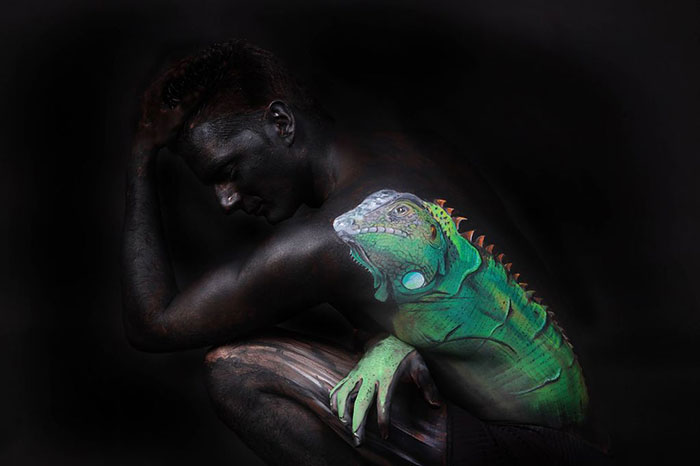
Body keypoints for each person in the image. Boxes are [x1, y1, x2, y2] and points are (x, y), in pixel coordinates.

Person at [122, 40, 611, 465]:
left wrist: (141, 154)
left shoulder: (327, 239)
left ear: (280, 123)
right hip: (599, 432)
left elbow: (153, 323)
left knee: (234, 370)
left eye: (228, 170)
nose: (226, 201)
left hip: (531, 451)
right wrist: (394, 341)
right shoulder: (412, 150)